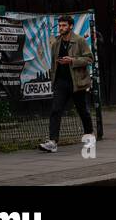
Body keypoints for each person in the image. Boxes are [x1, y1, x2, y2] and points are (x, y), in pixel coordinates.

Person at [38, 15, 94, 152]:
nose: (61, 28)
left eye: (64, 25)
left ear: (70, 26)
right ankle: (52, 142)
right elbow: (53, 63)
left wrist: (72, 60)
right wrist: (53, 80)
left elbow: (89, 59)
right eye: (60, 26)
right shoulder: (56, 43)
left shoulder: (79, 41)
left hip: (77, 82)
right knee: (56, 110)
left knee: (83, 111)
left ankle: (89, 137)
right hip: (61, 83)